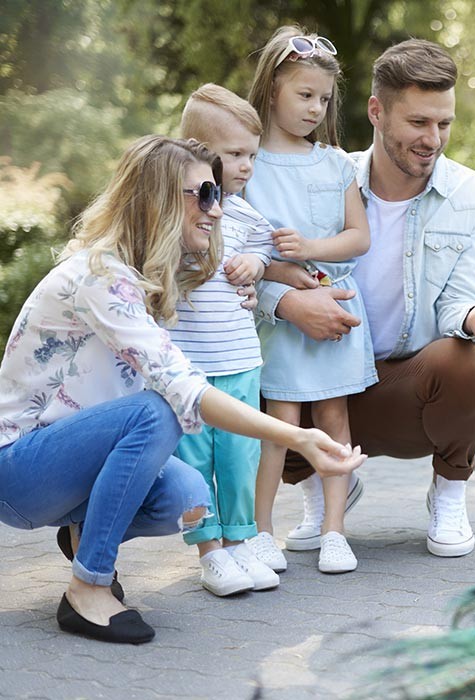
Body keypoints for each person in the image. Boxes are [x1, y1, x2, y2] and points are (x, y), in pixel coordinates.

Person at [0, 136, 364, 645]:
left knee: (188, 496)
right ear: (157, 199)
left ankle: (84, 532)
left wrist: (275, 284)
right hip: (18, 468)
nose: (217, 208)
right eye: (204, 194)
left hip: (69, 459)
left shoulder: (149, 273)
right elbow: (183, 390)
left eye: (217, 192)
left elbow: (252, 267)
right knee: (158, 413)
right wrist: (300, 438)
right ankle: (88, 586)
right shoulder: (102, 276)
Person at [254, 38, 475, 559]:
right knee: (250, 371)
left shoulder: (474, 196)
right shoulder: (322, 173)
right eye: (418, 123)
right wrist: (287, 304)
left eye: (444, 124)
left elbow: (459, 302)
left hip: (403, 388)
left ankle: (449, 493)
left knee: (465, 364)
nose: (434, 139)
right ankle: (320, 490)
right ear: (376, 112)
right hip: (316, 376)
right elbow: (247, 260)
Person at [245, 26, 376, 575]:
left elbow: (358, 237)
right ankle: (260, 533)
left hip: (338, 305)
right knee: (278, 425)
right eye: (304, 95)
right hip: (280, 319)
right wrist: (281, 268)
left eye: (323, 99)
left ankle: (334, 533)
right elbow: (237, 246)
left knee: (334, 416)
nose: (315, 109)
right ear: (272, 88)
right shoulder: (247, 163)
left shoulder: (335, 163)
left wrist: (311, 248)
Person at [171, 84, 281, 596]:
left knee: (239, 458)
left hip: (238, 360)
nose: (246, 166)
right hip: (187, 368)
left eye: (252, 155)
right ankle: (209, 552)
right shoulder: (177, 215)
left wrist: (256, 266)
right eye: (235, 154)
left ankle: (239, 544)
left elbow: (264, 247)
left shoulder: (247, 217)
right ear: (196, 151)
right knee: (193, 464)